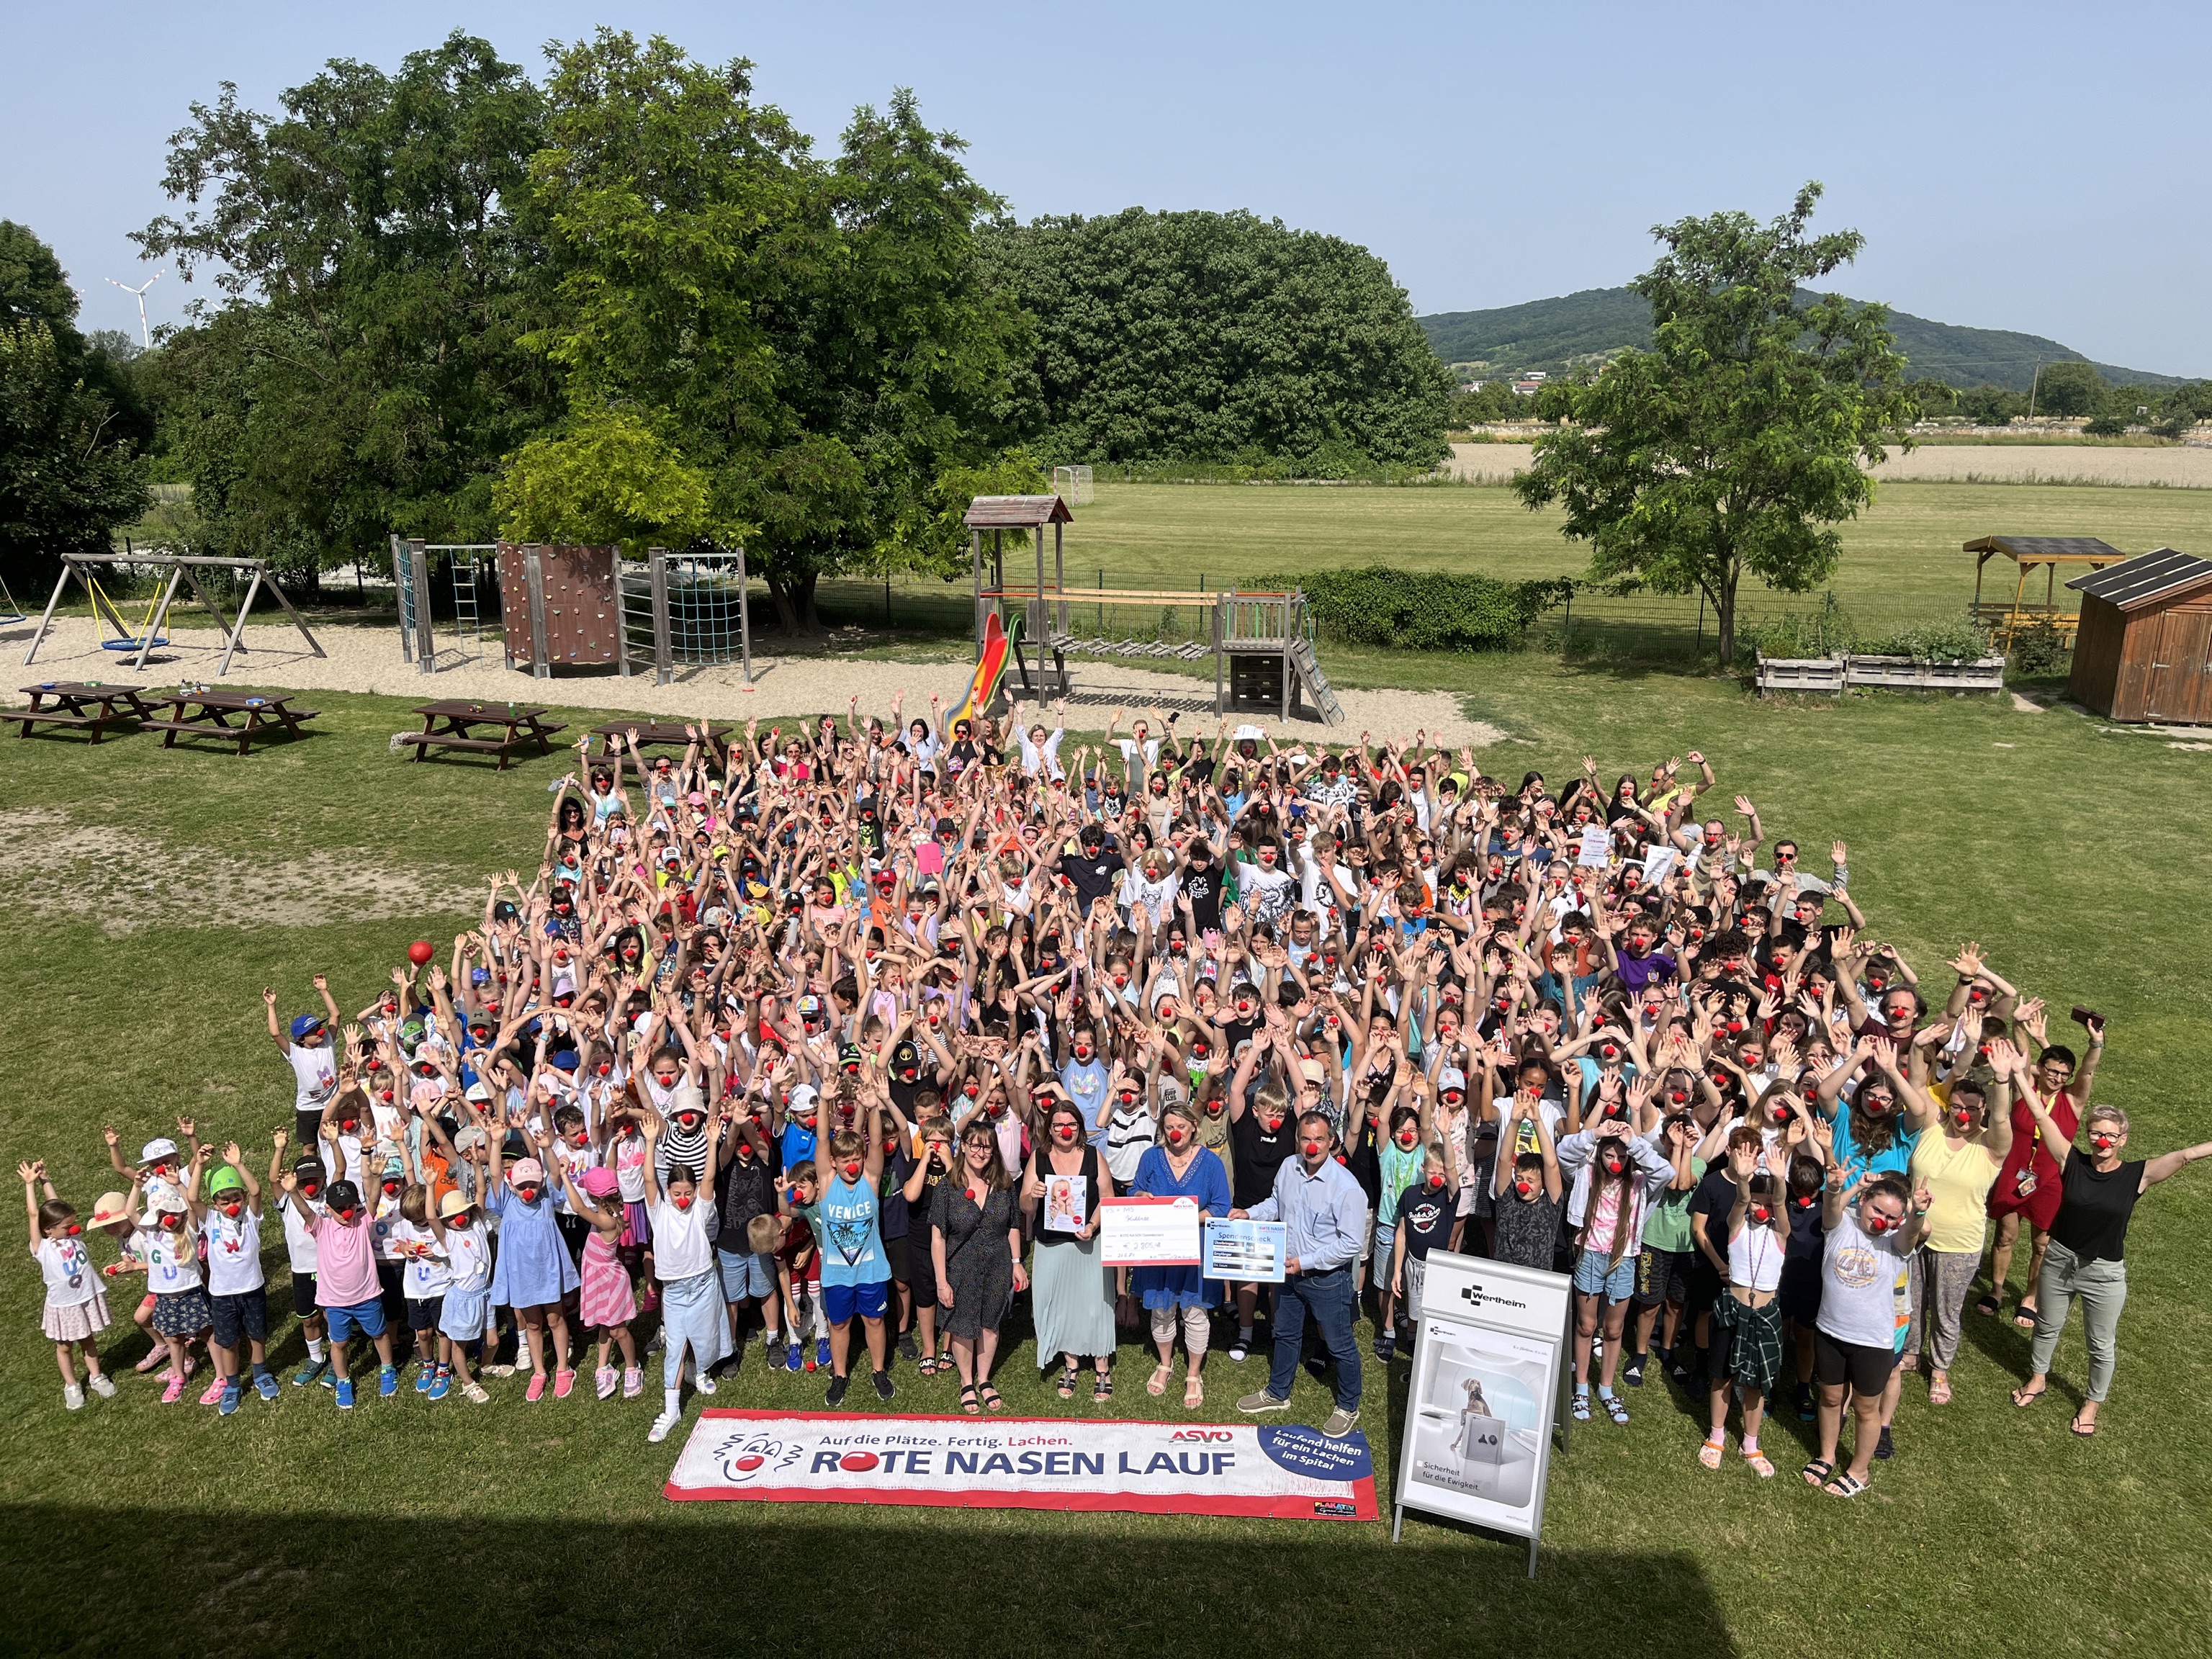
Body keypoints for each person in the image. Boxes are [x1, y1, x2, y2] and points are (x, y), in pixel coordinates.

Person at [2008, 1066, 2212, 1435]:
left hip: (2104, 1272)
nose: (2102, 1141)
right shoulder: (2073, 1162)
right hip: (2059, 1261)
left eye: (2110, 1135)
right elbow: (2040, 1113)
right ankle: (2037, 1379)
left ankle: (2091, 1403)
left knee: (2101, 1344)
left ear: (2123, 1140)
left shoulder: (2139, 1175)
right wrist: (2015, 1072)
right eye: (2096, 1133)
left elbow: (2186, 1155)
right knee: (2047, 1326)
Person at [1232, 1110, 1367, 1439]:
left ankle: (1349, 1405)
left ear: (1331, 1141)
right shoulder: (1288, 1168)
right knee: (1286, 1334)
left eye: (1319, 1139)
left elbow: (1350, 1244)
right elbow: (1276, 1204)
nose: (1311, 1146)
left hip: (1327, 1279)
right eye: (1306, 1138)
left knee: (1340, 1345)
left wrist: (1306, 1261)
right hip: (1289, 1272)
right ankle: (1278, 1393)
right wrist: (1249, 1213)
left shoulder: (1348, 1188)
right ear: (1298, 1140)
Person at [1804, 1162, 1928, 1498]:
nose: (1882, 1221)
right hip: (1830, 1331)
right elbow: (1832, 1205)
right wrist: (1843, 1186)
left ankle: (1860, 1471)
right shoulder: (1841, 1225)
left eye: (1891, 1217)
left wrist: (1916, 1213)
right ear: (1864, 1201)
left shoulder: (1895, 1243)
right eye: (1877, 1210)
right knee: (1831, 1398)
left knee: (1865, 1407)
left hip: (1873, 1343)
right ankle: (1827, 1455)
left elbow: (1913, 1232)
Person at [1128, 1100, 1231, 1409]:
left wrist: (1186, 1215)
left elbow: (1222, 1207)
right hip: (1159, 1247)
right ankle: (1164, 1363)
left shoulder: (1211, 1163)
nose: (1175, 1133)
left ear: (1194, 1128)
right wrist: (1140, 1197)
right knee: (1161, 1308)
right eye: (1169, 1127)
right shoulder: (1151, 1157)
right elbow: (1135, 1189)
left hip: (1195, 1248)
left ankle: (1193, 1373)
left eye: (1181, 1126)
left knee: (1196, 1311)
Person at [1699, 1141, 1790, 1477]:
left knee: (1757, 1382)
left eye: (1766, 1204)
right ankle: (1717, 1436)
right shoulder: (1736, 1227)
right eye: (1757, 1202)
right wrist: (1743, 1179)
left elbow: (1780, 1204)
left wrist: (1779, 1181)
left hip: (1765, 1315)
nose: (1761, 1209)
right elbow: (1739, 1200)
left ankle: (1751, 1443)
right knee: (1722, 1377)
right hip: (1732, 1307)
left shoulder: (1781, 1233)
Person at [1023, 1098, 1118, 1401]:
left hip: (1088, 1241)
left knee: (1095, 1304)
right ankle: (1072, 1363)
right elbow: (1025, 1206)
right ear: (1049, 1129)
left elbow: (1108, 1198)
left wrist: (1092, 1225)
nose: (1066, 1131)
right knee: (1059, 1305)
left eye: (1071, 1125)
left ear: (1080, 1127)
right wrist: (1033, 1195)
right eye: (1059, 1125)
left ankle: (1102, 1365)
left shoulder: (1094, 1156)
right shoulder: (1038, 1158)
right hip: (1050, 1244)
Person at [279, 1169, 396, 1411]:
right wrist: (291, 1191)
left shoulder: (363, 1222)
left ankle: (388, 1369)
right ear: (328, 1209)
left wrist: (375, 1176)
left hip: (367, 1296)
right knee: (339, 1343)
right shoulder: (321, 1227)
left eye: (351, 1206)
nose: (346, 1212)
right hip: (334, 1302)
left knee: (379, 1334)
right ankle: (343, 1382)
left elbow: (373, 1199)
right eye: (339, 1208)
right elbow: (305, 1211)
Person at [642, 1107, 725, 1442]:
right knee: (675, 1344)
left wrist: (713, 1143)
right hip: (674, 1290)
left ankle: (698, 1370)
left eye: (687, 1192)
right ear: (668, 1192)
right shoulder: (658, 1210)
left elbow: (708, 1179)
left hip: (705, 1282)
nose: (683, 1199)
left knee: (704, 1340)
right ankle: (671, 1408)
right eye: (676, 1193)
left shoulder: (701, 1208)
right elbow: (649, 1180)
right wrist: (650, 1143)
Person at [931, 1119, 1025, 1414]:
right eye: (975, 1144)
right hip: (961, 1265)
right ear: (963, 1147)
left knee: (990, 1323)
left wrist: (1017, 1263)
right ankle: (966, 1381)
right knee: (963, 1324)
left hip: (997, 1263)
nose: (980, 1152)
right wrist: (941, 1282)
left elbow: (1013, 1226)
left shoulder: (1004, 1184)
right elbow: (938, 1236)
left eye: (987, 1146)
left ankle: (984, 1379)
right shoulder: (948, 1186)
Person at [483, 1124, 581, 1403]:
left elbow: (553, 1172)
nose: (528, 1190)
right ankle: (540, 1371)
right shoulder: (506, 1201)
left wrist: (547, 1147)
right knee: (534, 1325)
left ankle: (563, 1368)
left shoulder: (546, 1197)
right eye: (522, 1185)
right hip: (520, 1274)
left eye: (533, 1184)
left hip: (548, 1270)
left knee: (556, 1318)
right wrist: (495, 1141)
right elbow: (493, 1172)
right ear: (512, 1183)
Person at [813, 1081, 896, 1406]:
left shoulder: (870, 1181)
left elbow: (876, 1142)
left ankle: (878, 1371)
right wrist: (823, 1101)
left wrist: (874, 1107)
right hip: (836, 1274)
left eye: (857, 1158)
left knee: (875, 1320)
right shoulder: (827, 1182)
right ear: (833, 1162)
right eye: (844, 1159)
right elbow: (822, 1138)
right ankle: (840, 1374)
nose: (852, 1165)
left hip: (871, 1270)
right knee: (839, 1323)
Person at [20, 1159, 114, 1409]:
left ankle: (96, 1376)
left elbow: (55, 1204)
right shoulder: (42, 1248)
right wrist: (30, 1185)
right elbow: (34, 1214)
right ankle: (71, 1385)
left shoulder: (73, 1235)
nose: (73, 1227)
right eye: (66, 1226)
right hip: (64, 1305)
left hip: (85, 1297)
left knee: (88, 1340)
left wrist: (45, 1180)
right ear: (48, 1230)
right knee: (64, 1347)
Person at [198, 1146, 276, 1413]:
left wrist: (239, 1164)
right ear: (215, 1204)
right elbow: (190, 1198)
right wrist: (198, 1166)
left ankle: (261, 1373)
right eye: (225, 1202)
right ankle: (232, 1384)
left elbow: (256, 1191)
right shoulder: (210, 1221)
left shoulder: (252, 1218)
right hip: (222, 1294)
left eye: (236, 1199)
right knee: (227, 1341)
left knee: (257, 1334)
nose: (232, 1206)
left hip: (252, 1288)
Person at [557, 1161, 642, 1400]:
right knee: (605, 1324)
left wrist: (565, 1176)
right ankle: (603, 1367)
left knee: (618, 1331)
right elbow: (611, 1170)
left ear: (594, 1197)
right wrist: (613, 1145)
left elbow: (577, 1207)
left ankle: (632, 1367)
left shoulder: (606, 1220)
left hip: (609, 1281)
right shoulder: (613, 1211)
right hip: (601, 1277)